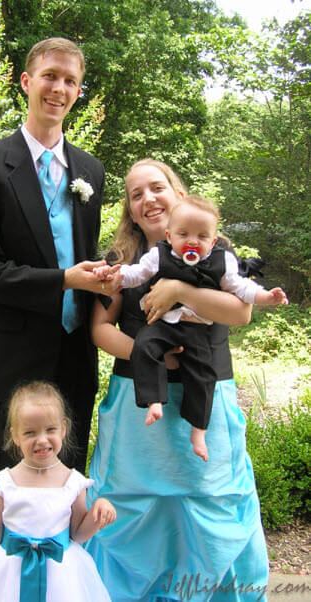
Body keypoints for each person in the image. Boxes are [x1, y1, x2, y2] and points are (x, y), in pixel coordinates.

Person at [0, 37, 118, 563]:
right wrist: (68, 279)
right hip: (7, 362)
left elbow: (83, 256)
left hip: (73, 357)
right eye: (50, 76)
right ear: (26, 81)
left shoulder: (90, 171)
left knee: (65, 497)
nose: (60, 88)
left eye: (71, 81)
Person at [86, 159, 270, 601]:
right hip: (137, 405)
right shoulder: (121, 262)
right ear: (131, 211)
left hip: (205, 402)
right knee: (132, 510)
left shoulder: (216, 250)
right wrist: (152, 357)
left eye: (157, 187)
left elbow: (241, 312)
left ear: (179, 194)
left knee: (211, 504)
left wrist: (181, 292)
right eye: (136, 195)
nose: (148, 199)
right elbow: (100, 330)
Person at [94, 194, 287, 460]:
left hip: (196, 331)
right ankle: (154, 400)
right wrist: (115, 275)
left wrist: (266, 297)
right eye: (184, 234)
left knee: (202, 375)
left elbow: (241, 291)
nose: (192, 241)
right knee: (145, 345)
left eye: (201, 236)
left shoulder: (223, 260)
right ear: (169, 235)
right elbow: (135, 273)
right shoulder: (157, 255)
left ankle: (198, 431)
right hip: (164, 325)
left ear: (213, 240)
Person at [0, 381, 116, 601]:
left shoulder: (73, 482)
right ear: (15, 436)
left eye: (50, 430)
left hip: (61, 575)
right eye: (30, 432)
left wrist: (97, 513)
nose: (42, 440)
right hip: (10, 573)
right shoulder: (4, 483)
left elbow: (77, 534)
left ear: (63, 429)